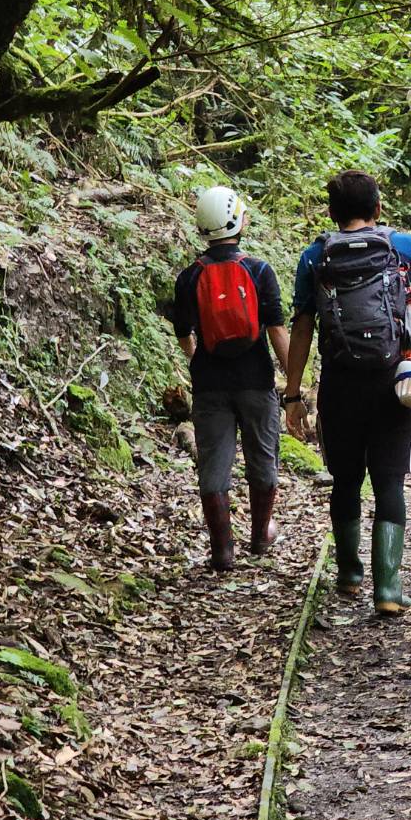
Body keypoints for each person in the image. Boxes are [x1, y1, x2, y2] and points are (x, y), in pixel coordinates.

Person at [283, 170, 411, 616]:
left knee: (346, 479)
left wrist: (293, 394)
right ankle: (388, 588)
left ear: (331, 214)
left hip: (339, 384)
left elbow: (302, 326)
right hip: (393, 383)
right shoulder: (401, 246)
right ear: (378, 208)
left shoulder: (315, 256)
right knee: (389, 481)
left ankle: (350, 573)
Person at [172, 186, 290, 574]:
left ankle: (222, 551)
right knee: (263, 456)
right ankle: (260, 535)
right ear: (239, 221)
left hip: (210, 385)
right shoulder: (259, 270)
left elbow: (184, 333)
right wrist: (294, 384)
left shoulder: (190, 276)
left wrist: (200, 359)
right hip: (256, 380)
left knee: (214, 465)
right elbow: (276, 331)